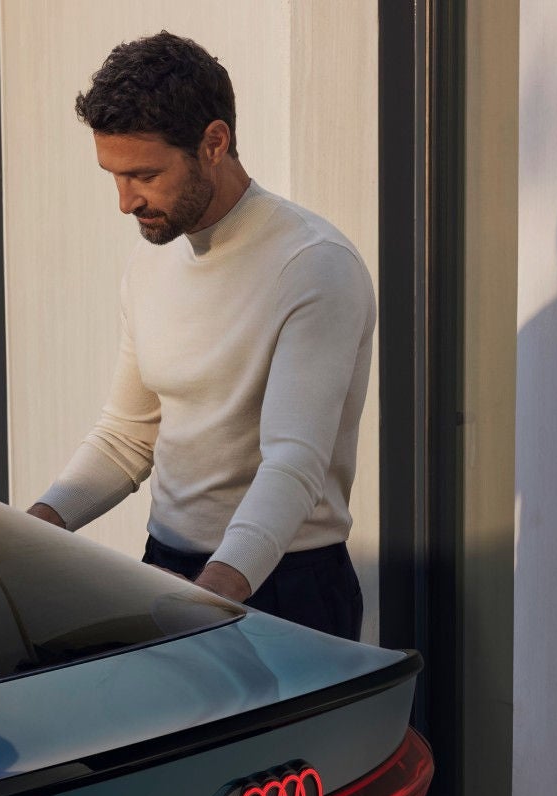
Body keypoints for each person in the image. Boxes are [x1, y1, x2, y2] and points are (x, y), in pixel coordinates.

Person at [28, 32, 376, 641]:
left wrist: (217, 590)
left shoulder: (313, 264)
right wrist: (33, 529)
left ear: (215, 142)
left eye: (144, 174)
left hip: (284, 586)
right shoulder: (151, 263)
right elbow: (128, 435)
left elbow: (295, 462)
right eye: (113, 175)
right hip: (170, 572)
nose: (124, 201)